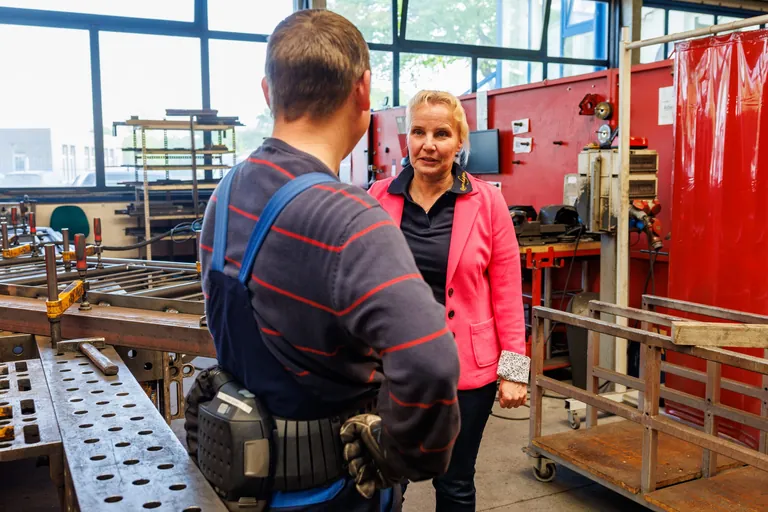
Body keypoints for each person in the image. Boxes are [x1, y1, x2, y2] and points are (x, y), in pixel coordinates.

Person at [190, 10, 462, 512]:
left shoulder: (227, 193)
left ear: (268, 92)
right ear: (364, 91)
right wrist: (405, 456)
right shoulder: (353, 217)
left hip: (243, 485)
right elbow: (429, 360)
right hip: (333, 493)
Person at [368, 90, 529, 511]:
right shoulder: (378, 197)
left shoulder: (487, 201)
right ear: (407, 138)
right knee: (387, 477)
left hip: (466, 370)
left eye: (442, 133)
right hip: (392, 367)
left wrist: (515, 372)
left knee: (455, 481)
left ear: (460, 142)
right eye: (418, 131)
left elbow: (509, 291)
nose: (428, 144)